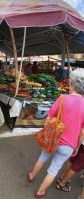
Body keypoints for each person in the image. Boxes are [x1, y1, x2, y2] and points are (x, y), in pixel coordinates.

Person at [27, 70, 84, 198]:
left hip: (53, 139)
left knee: (42, 158)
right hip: (69, 145)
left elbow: (49, 117)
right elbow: (82, 132)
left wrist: (46, 133)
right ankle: (40, 191)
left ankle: (31, 176)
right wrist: (77, 146)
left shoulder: (63, 98)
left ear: (72, 85)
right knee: (54, 169)